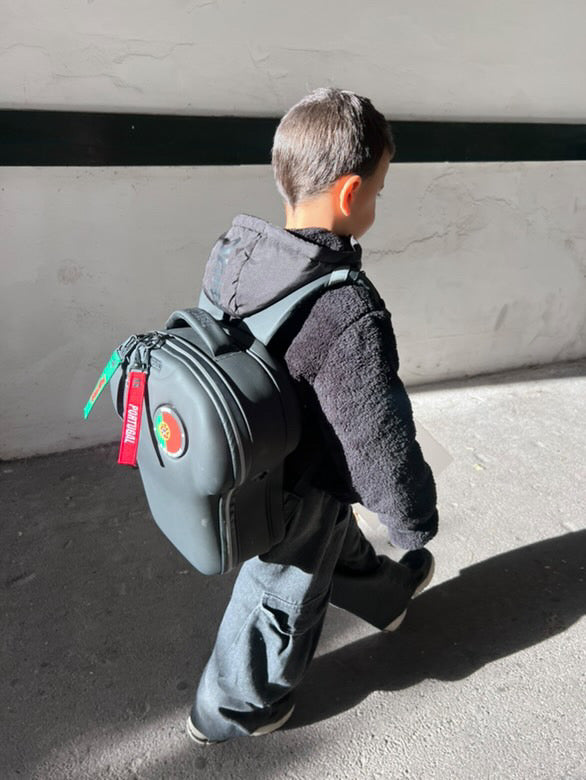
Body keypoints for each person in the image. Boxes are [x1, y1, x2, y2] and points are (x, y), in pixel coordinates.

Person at [187, 87, 438, 744]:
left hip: (252, 449)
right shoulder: (346, 308)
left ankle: (387, 597)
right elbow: (375, 437)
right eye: (379, 190)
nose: (377, 201)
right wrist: (412, 517)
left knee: (333, 533)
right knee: (280, 590)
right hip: (291, 482)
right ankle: (233, 707)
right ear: (352, 193)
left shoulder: (240, 253)